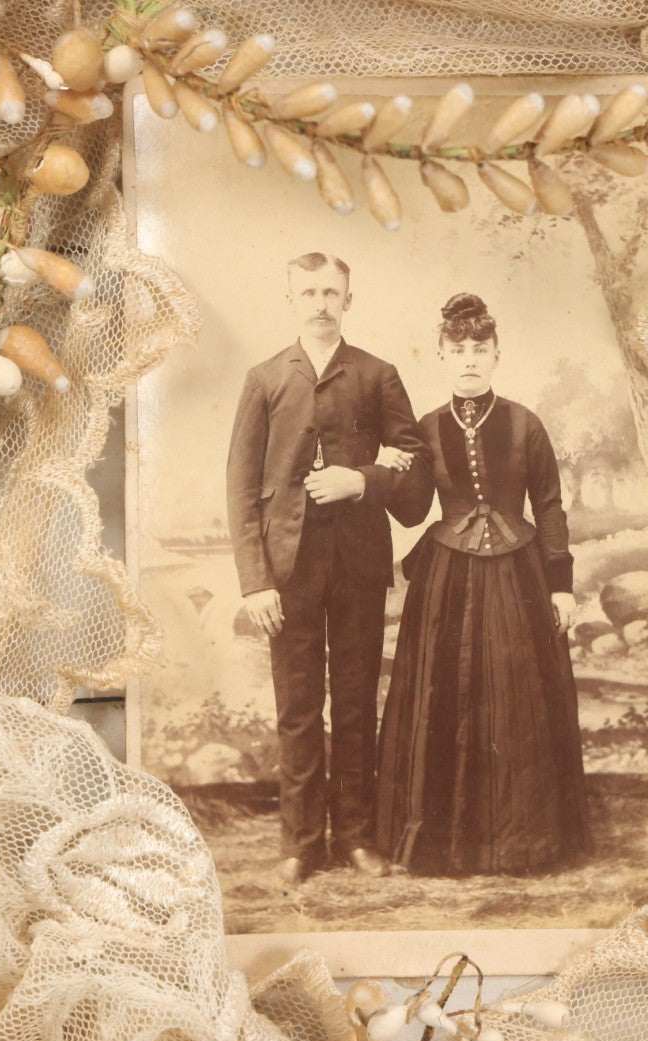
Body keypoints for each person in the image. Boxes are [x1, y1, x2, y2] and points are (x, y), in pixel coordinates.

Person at [225, 252, 429, 885]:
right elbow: (241, 486)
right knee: (298, 708)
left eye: (331, 292)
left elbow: (415, 465)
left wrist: (359, 480)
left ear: (349, 299)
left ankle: (358, 837)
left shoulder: (377, 374)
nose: (320, 302)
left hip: (360, 566)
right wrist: (256, 582)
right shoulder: (264, 379)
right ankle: (301, 844)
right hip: (288, 572)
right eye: (308, 292)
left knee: (355, 699)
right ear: (291, 300)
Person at [375, 293, 592, 875]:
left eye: (480, 349)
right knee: (443, 696)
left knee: (517, 695)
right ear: (442, 356)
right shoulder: (425, 427)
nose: (469, 359)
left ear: (496, 355)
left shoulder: (526, 424)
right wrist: (392, 468)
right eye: (458, 349)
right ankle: (444, 839)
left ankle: (524, 841)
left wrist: (560, 584)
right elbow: (413, 510)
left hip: (517, 577)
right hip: (445, 578)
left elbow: (548, 505)